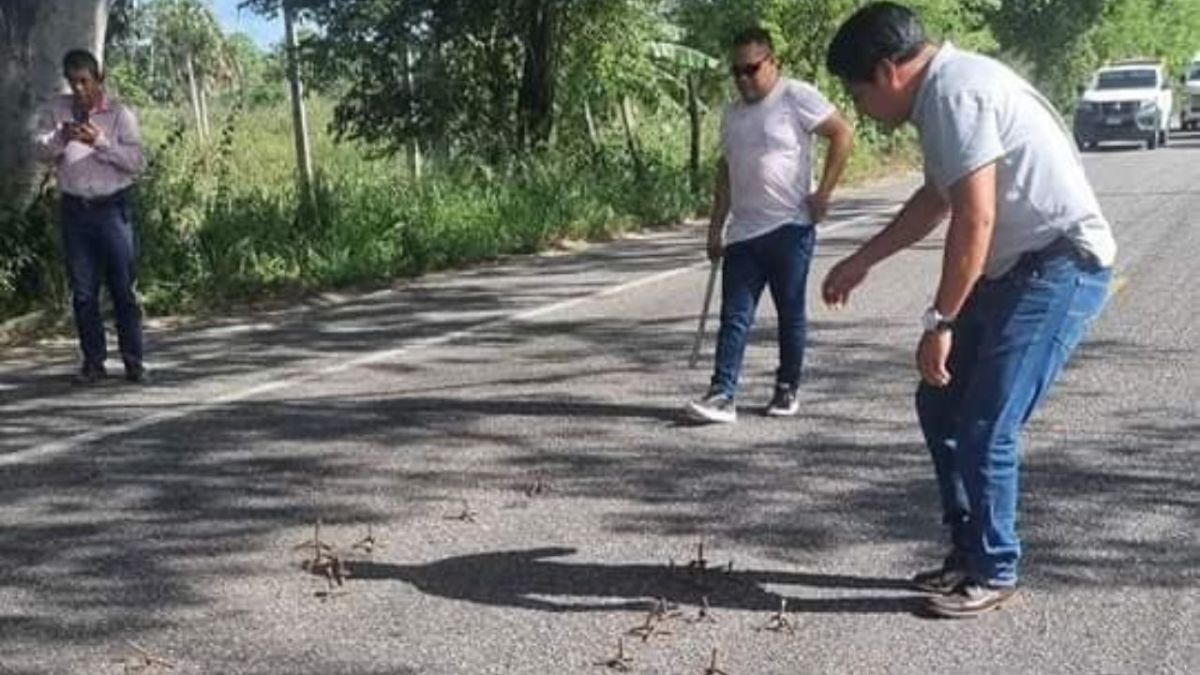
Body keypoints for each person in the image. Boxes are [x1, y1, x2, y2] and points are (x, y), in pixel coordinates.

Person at [823, 2, 1116, 618]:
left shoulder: (956, 95)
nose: (861, 109)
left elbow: (975, 219)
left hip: (1060, 263)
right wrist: (863, 259)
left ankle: (995, 567)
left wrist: (940, 322)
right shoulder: (944, 94)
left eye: (857, 93)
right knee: (941, 402)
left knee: (987, 424)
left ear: (887, 72)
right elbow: (936, 198)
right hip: (1021, 266)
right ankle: (967, 550)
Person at [686, 26, 854, 424]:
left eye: (752, 68)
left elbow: (842, 133)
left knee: (789, 312)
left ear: (772, 62)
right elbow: (725, 171)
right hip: (743, 231)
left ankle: (786, 388)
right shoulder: (731, 114)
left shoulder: (795, 96)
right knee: (735, 315)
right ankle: (723, 393)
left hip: (790, 227)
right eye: (736, 72)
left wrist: (825, 193)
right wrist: (715, 227)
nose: (744, 78)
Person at [35, 49, 148, 384]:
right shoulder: (58, 110)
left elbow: (137, 162)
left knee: (122, 288)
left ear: (99, 79)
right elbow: (39, 150)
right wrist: (60, 137)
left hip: (112, 208)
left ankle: (133, 360)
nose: (80, 89)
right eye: (73, 83)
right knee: (84, 292)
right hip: (75, 211)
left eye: (85, 81)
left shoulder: (119, 114)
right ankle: (93, 362)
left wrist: (99, 142)